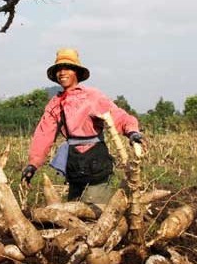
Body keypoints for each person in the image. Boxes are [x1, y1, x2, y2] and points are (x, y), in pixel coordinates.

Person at [21, 48, 142, 204]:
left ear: (76, 72)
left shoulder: (92, 96)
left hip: (95, 160)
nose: (62, 72)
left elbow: (117, 115)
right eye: (59, 69)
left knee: (95, 213)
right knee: (74, 210)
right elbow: (44, 134)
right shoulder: (55, 103)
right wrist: (33, 165)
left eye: (67, 68)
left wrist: (132, 132)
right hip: (74, 162)